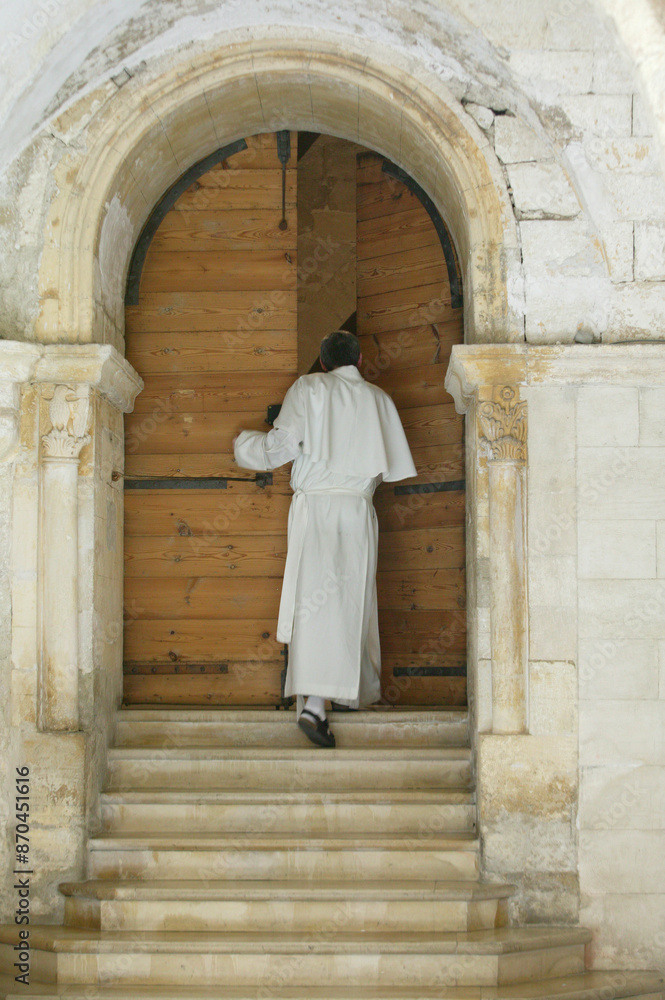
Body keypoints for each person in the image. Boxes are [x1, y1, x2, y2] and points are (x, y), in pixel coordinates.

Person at [233, 330, 417, 747]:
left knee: (317, 605)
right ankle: (347, 692)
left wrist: (243, 447)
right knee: (350, 603)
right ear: (361, 357)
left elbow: (279, 447)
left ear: (321, 362)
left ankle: (316, 704)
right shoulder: (379, 399)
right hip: (356, 512)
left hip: (317, 512)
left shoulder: (309, 388)